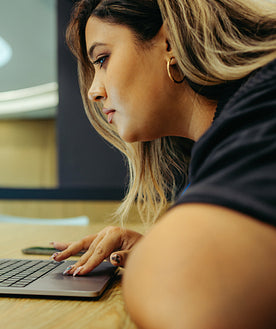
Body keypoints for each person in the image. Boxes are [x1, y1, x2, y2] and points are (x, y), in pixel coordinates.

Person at [50, 0, 276, 328]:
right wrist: (152, 248)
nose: (93, 92)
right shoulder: (216, 141)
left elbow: (184, 298)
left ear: (168, 41)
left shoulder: (264, 102)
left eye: (102, 59)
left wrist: (158, 258)